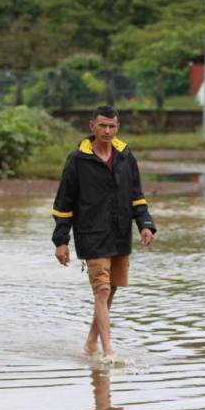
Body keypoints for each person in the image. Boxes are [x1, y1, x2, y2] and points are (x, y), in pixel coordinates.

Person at [52, 105, 156, 359]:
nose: (107, 131)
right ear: (92, 127)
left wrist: (144, 224)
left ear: (117, 127)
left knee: (112, 288)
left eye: (112, 126)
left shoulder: (125, 156)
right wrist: (61, 241)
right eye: (102, 126)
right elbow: (64, 202)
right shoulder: (77, 159)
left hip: (120, 234)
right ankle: (108, 351)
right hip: (91, 234)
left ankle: (90, 341)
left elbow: (136, 195)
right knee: (102, 290)